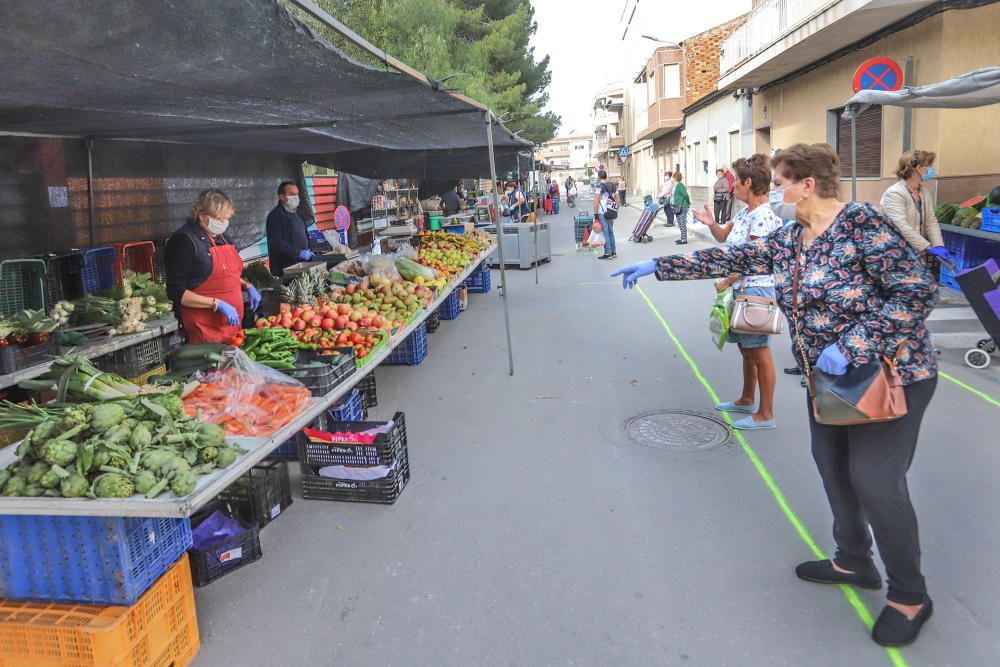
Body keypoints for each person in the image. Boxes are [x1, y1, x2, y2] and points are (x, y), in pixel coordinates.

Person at [612, 143, 938, 648]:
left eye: (782, 181)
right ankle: (853, 559)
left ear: (807, 184)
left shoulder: (863, 226)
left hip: (891, 375)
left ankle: (910, 596)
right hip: (828, 379)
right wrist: (658, 267)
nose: (776, 191)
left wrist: (855, 344)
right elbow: (732, 255)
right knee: (832, 467)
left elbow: (916, 291)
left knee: (875, 479)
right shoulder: (791, 237)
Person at [693, 155, 782, 429]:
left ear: (749, 182)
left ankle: (766, 414)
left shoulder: (765, 215)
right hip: (741, 286)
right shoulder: (745, 213)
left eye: (736, 183)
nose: (732, 188)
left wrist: (726, 280)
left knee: (760, 352)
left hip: (756, 288)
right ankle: (747, 398)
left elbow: (752, 259)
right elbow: (724, 239)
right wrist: (710, 223)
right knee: (747, 349)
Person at [165, 189, 260, 344]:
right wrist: (217, 303)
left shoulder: (224, 237)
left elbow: (227, 273)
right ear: (202, 215)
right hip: (204, 328)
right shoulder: (183, 241)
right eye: (219, 219)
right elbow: (176, 292)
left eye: (226, 219)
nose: (223, 223)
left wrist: (247, 285)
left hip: (232, 326)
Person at [880, 149, 950, 263]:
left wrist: (939, 246)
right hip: (897, 254)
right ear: (918, 168)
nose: (932, 170)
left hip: (918, 252)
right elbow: (901, 227)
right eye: (929, 165)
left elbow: (931, 222)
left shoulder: (924, 193)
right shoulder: (894, 193)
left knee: (927, 275)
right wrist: (928, 247)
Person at [266, 181, 313, 277]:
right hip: (285, 268)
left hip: (302, 264)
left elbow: (304, 233)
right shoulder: (275, 216)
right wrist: (298, 253)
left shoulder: (298, 213)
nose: (296, 197)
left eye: (297, 194)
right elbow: (276, 242)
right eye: (292, 194)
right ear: (282, 197)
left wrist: (310, 250)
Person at [593, 170, 619, 259]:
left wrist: (595, 213)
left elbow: (596, 200)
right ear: (606, 176)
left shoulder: (599, 186)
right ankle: (614, 252)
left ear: (599, 177)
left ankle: (608, 253)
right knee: (611, 232)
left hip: (602, 212)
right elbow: (618, 198)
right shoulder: (613, 185)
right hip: (611, 211)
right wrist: (616, 209)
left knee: (606, 232)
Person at [671, 172, 690, 245]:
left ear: (675, 178)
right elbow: (671, 196)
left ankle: (684, 240)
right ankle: (682, 238)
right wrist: (664, 203)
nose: (671, 178)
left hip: (682, 206)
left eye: (672, 177)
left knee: (682, 223)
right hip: (676, 207)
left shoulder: (680, 185)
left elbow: (685, 195)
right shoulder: (674, 186)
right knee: (679, 223)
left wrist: (688, 203)